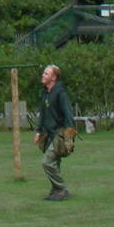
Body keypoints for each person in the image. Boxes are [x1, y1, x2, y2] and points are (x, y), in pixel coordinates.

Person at [34, 64, 76, 202]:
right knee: (54, 163)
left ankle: (61, 189)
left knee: (47, 162)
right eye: (44, 73)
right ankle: (55, 190)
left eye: (46, 73)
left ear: (54, 77)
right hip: (49, 134)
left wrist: (69, 134)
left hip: (59, 133)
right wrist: (39, 131)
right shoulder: (45, 92)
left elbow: (68, 114)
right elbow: (43, 114)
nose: (43, 75)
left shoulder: (61, 93)